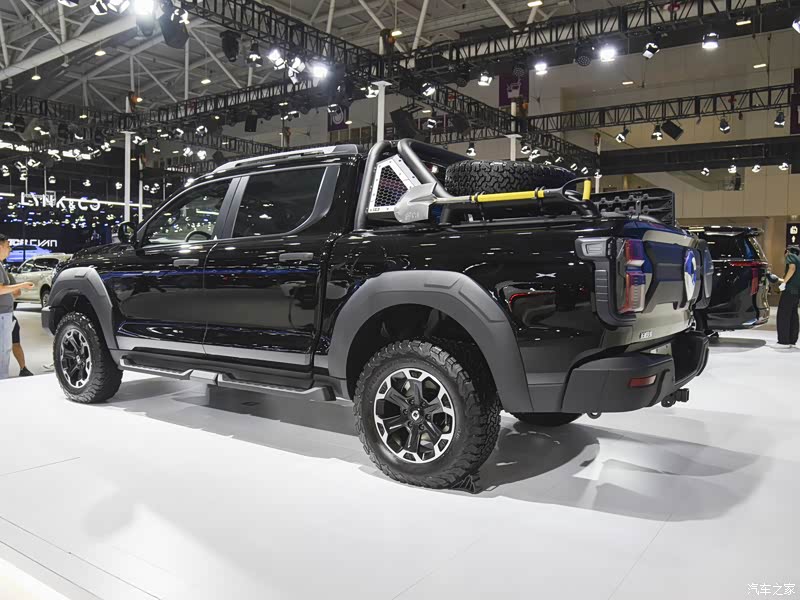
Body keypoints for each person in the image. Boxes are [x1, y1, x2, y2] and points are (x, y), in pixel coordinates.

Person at [0, 233, 35, 380]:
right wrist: (22, 285)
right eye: (8, 246)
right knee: (3, 350)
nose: (10, 249)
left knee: (5, 349)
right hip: (2, 315)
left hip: (5, 314)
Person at [777, 245, 800, 348]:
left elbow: (792, 268)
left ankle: (783, 341)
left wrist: (784, 283)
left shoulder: (790, 256)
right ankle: (792, 340)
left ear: (787, 251)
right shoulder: (799, 259)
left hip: (789, 290)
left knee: (783, 314)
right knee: (793, 315)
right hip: (796, 291)